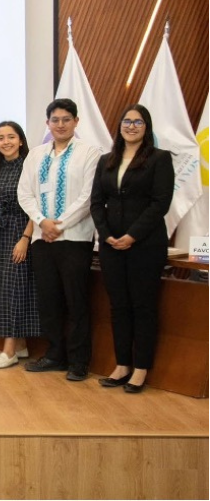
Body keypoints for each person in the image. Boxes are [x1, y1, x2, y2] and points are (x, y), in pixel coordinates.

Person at [91, 105, 173, 393]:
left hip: (145, 246)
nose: (132, 126)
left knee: (143, 307)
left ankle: (140, 368)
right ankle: (122, 364)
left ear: (146, 128)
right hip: (111, 246)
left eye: (138, 122)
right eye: (127, 121)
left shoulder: (159, 159)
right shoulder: (106, 160)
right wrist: (106, 236)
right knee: (119, 307)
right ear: (120, 126)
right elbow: (96, 203)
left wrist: (132, 236)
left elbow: (159, 204)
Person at [17, 98, 101, 382]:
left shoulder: (90, 153)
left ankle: (79, 361)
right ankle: (55, 355)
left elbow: (88, 197)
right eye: (56, 120)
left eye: (67, 119)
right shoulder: (36, 154)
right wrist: (43, 223)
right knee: (49, 300)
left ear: (76, 122)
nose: (61, 124)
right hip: (42, 239)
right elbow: (25, 193)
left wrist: (61, 225)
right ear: (48, 123)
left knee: (76, 301)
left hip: (75, 239)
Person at [0, 121, 39, 369]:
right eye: (0, 138)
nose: (6, 142)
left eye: (11, 137)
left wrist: (25, 239)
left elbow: (35, 206)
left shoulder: (29, 167)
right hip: (0, 236)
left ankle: (9, 351)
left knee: (17, 290)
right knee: (3, 291)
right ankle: (21, 346)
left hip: (20, 233)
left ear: (21, 140)